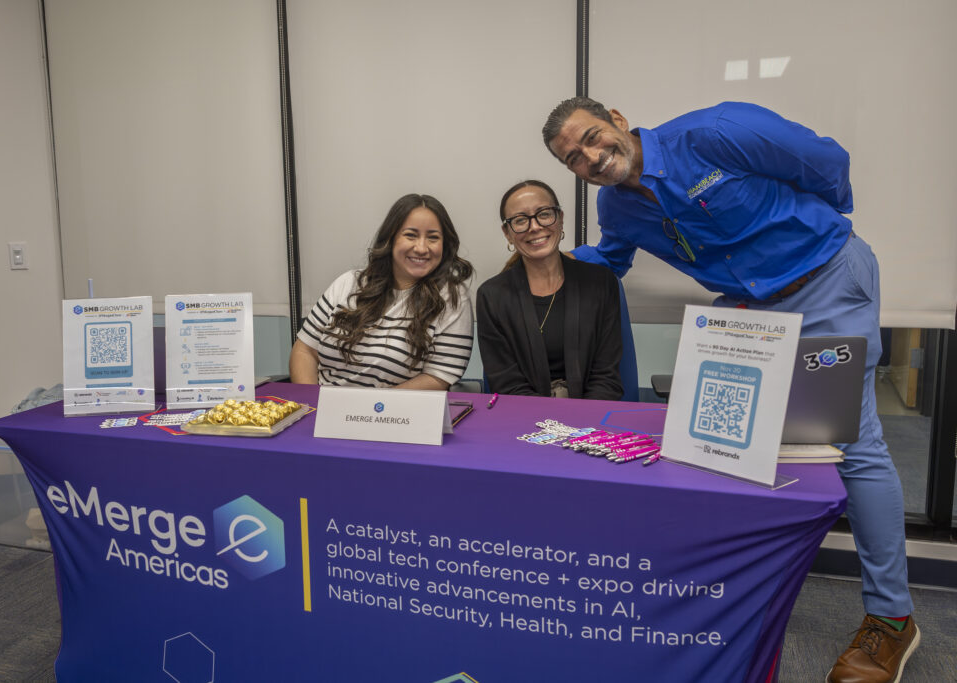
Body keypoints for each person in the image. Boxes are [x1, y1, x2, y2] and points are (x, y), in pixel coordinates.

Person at [543, 97, 917, 682]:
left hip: (826, 282)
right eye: (573, 159)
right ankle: (737, 597)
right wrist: (547, 257)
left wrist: (814, 236)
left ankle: (892, 621)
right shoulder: (616, 206)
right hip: (749, 311)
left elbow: (825, 165)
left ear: (617, 118)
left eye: (591, 137)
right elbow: (610, 260)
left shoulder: (716, 132)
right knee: (722, 446)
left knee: (854, 443)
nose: (590, 157)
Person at [289, 193, 473, 389]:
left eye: (433, 238)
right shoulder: (349, 282)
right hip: (322, 410)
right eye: (410, 235)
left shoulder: (452, 298)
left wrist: (368, 411)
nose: (421, 248)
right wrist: (312, 403)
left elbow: (438, 377)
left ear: (445, 245)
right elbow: (305, 351)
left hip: (391, 416)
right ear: (390, 239)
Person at [476, 180, 623, 400]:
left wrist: (583, 428)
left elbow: (605, 377)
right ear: (507, 233)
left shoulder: (600, 283)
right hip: (525, 421)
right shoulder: (492, 296)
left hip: (592, 419)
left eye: (544, 214)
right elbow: (508, 384)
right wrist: (548, 429)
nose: (534, 227)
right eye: (520, 220)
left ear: (560, 218)